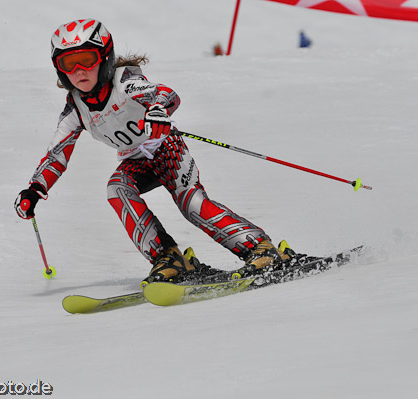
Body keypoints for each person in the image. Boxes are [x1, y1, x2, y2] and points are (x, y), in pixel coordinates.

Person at [15, 19, 291, 287]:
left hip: (166, 148)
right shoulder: (75, 108)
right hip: (136, 160)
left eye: (86, 59)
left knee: (191, 205)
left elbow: (166, 94)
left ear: (105, 58)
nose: (78, 70)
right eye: (67, 63)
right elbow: (56, 155)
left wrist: (159, 110)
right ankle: (168, 258)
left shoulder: (125, 82)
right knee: (117, 188)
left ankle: (261, 249)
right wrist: (35, 188)